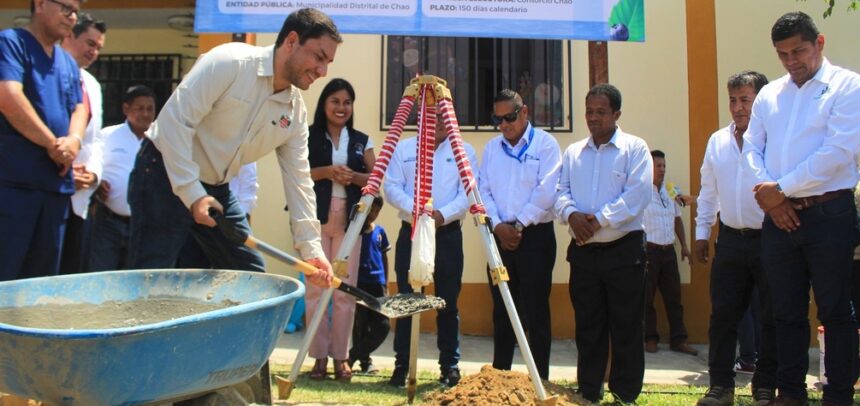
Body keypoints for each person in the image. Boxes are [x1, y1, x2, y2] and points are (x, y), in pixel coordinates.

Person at [125, 8, 339, 287]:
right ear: (291, 41)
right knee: (150, 280)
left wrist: (311, 250)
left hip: (216, 189)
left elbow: (299, 180)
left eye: (328, 63)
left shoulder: (295, 112)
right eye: (319, 57)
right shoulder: (229, 63)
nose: (322, 71)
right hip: (162, 173)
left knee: (252, 278)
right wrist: (192, 194)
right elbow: (173, 124)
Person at [743, 11, 860, 406]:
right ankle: (790, 393)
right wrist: (771, 198)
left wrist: (780, 190)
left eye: (799, 51)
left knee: (834, 310)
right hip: (778, 220)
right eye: (783, 54)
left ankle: (839, 396)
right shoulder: (769, 94)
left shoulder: (847, 86)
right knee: (785, 312)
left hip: (830, 215)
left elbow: (838, 152)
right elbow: (751, 149)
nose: (792, 61)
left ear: (820, 43)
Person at [554, 83, 652, 404]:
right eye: (589, 112)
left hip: (624, 252)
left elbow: (636, 196)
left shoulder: (635, 149)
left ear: (616, 114)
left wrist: (597, 220)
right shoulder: (573, 152)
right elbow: (560, 192)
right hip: (584, 254)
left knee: (625, 325)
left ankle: (625, 392)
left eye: (600, 112)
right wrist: (571, 215)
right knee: (588, 326)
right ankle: (589, 388)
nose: (593, 118)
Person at [695, 70, 777, 406]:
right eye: (733, 100)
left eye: (746, 99)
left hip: (771, 239)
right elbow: (708, 191)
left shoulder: (775, 138)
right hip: (729, 239)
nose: (739, 107)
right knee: (724, 315)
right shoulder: (718, 140)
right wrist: (702, 233)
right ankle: (720, 386)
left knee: (772, 315)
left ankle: (764, 385)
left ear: (761, 100)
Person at [384, 109, 477, 388]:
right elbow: (391, 187)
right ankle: (402, 366)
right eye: (430, 115)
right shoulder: (404, 148)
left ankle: (449, 366)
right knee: (407, 302)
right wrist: (417, 211)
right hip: (411, 233)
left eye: (441, 117)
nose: (436, 122)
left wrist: (439, 215)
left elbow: (468, 193)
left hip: (446, 235)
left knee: (448, 303)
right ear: (420, 118)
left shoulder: (464, 151)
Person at [0, 0, 87, 281]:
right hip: (14, 186)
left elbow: (79, 107)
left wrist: (73, 140)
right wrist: (53, 144)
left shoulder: (67, 62)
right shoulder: (11, 43)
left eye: (76, 11)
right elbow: (8, 97)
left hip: (55, 188)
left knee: (42, 285)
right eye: (66, 7)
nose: (72, 16)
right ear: (39, 4)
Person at [477, 89, 561, 380]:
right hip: (498, 237)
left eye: (509, 117)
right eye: (497, 119)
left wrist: (519, 225)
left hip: (535, 238)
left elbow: (547, 191)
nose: (504, 125)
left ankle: (539, 380)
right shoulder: (491, 149)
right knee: (501, 309)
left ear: (524, 112)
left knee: (536, 310)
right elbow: (482, 189)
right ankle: (500, 377)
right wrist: (499, 226)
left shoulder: (546, 145)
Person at [305, 78, 376, 382]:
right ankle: (318, 357)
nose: (341, 107)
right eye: (335, 101)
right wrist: (327, 172)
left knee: (343, 291)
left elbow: (374, 178)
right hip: (316, 218)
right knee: (315, 289)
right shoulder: (307, 137)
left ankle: (341, 357)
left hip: (350, 221)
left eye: (347, 102)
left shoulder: (362, 139)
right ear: (324, 104)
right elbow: (299, 174)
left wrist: (354, 177)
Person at [87, 85, 155, 272]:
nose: (146, 114)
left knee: (136, 278)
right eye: (140, 108)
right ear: (126, 109)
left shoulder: (160, 139)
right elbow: (94, 164)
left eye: (150, 109)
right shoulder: (108, 135)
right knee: (101, 275)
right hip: (109, 223)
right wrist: (98, 183)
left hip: (146, 227)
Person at [58, 12, 106, 274]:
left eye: (98, 47)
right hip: (50, 184)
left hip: (81, 198)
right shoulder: (45, 71)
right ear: (69, 35)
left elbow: (96, 139)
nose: (94, 52)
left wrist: (94, 174)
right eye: (90, 43)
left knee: (72, 271)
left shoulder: (92, 85)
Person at [642, 149, 696, 356]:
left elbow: (677, 218)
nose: (662, 170)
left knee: (674, 298)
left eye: (664, 166)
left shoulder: (672, 190)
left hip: (668, 252)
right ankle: (650, 338)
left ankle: (679, 339)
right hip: (650, 252)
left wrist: (684, 245)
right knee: (647, 298)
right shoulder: (642, 190)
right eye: (658, 166)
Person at [348, 196, 391, 375]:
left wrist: (386, 283)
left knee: (382, 325)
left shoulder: (380, 232)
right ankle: (365, 363)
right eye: (370, 210)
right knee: (360, 325)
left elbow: (384, 258)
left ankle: (352, 356)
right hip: (359, 283)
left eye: (377, 211)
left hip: (377, 284)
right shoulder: (354, 232)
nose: (373, 214)